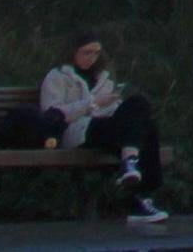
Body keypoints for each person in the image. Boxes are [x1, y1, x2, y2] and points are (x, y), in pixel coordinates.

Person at [36, 34, 166, 223]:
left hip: (104, 127)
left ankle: (131, 167)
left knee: (143, 114)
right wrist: (92, 103)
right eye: (86, 52)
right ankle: (135, 191)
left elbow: (111, 110)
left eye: (96, 53)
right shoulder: (57, 76)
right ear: (74, 52)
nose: (91, 57)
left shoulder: (103, 77)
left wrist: (114, 104)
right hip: (75, 131)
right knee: (143, 130)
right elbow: (52, 115)